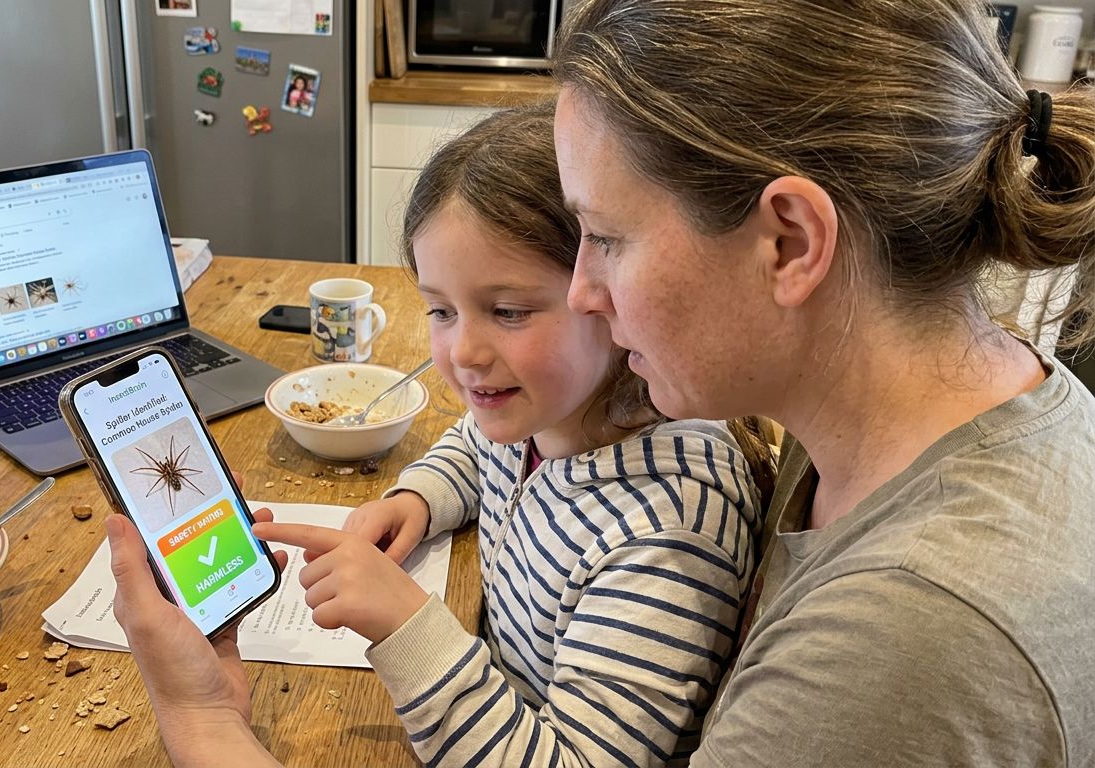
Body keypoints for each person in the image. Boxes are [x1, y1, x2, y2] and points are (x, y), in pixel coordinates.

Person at [105, 0, 1095, 764]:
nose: (584, 294)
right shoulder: (892, 436)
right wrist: (426, 493)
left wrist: (201, 719)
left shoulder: (908, 644)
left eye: (606, 240)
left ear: (788, 243)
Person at [258, 102, 773, 767]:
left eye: (506, 311)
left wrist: (408, 628)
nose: (463, 351)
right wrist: (416, 500)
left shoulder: (667, 532)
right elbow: (477, 447)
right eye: (440, 309)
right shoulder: (537, 412)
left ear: (608, 295)